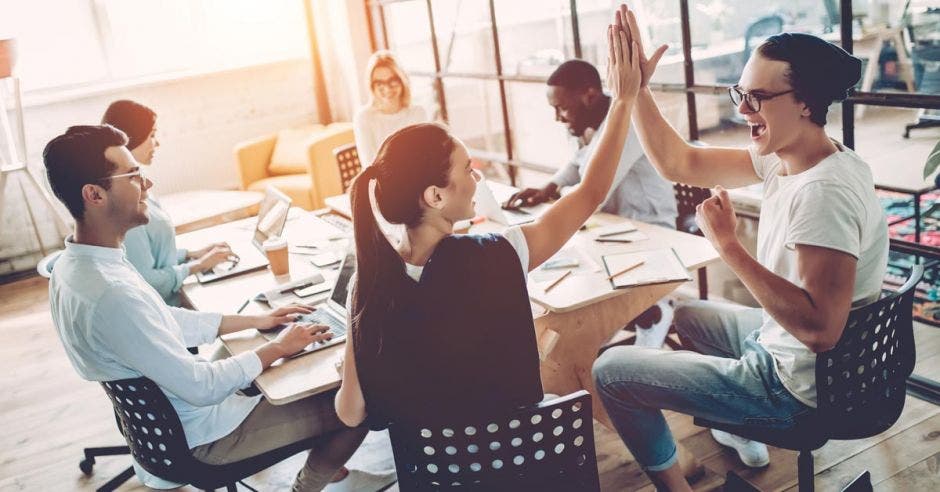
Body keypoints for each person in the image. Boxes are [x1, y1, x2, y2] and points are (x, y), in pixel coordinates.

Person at [592, 6, 888, 492]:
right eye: (741, 93)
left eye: (758, 97)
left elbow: (820, 330)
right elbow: (678, 161)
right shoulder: (797, 157)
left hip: (798, 392)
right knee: (686, 318)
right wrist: (638, 90)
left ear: (806, 103)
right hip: (811, 361)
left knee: (610, 371)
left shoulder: (822, 195)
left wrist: (729, 247)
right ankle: (733, 423)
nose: (742, 109)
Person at [334, 20, 642, 430]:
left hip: (435, 476)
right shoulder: (497, 253)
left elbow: (351, 412)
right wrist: (623, 100)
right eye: (466, 168)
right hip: (517, 463)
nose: (477, 176)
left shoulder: (369, 281)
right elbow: (589, 193)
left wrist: (350, 369)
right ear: (435, 196)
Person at [44, 125, 366, 491]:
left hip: (173, 423)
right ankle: (306, 486)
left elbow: (161, 320)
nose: (147, 184)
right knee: (357, 403)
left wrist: (256, 320)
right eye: (134, 176)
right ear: (94, 194)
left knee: (274, 365)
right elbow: (202, 388)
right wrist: (276, 347)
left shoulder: (75, 267)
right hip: (206, 438)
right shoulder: (111, 292)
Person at [506, 58, 679, 348]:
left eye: (562, 108)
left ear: (589, 95)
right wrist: (549, 187)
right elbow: (578, 162)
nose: (558, 118)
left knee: (570, 265)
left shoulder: (628, 125)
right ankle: (601, 333)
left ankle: (648, 313)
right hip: (613, 226)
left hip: (647, 229)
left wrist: (559, 202)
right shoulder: (587, 121)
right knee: (565, 265)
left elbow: (595, 190)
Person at [102, 100, 233, 306]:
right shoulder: (125, 204)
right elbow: (147, 281)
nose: (157, 143)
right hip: (167, 310)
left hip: (177, 296)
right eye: (152, 135)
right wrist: (197, 266)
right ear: (132, 137)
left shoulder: (140, 184)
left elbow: (154, 254)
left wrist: (191, 255)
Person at [353, 50, 428, 166]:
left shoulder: (418, 113)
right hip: (380, 182)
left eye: (393, 81)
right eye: (379, 83)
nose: (387, 89)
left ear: (402, 81)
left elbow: (423, 157)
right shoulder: (364, 118)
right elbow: (370, 166)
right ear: (371, 86)